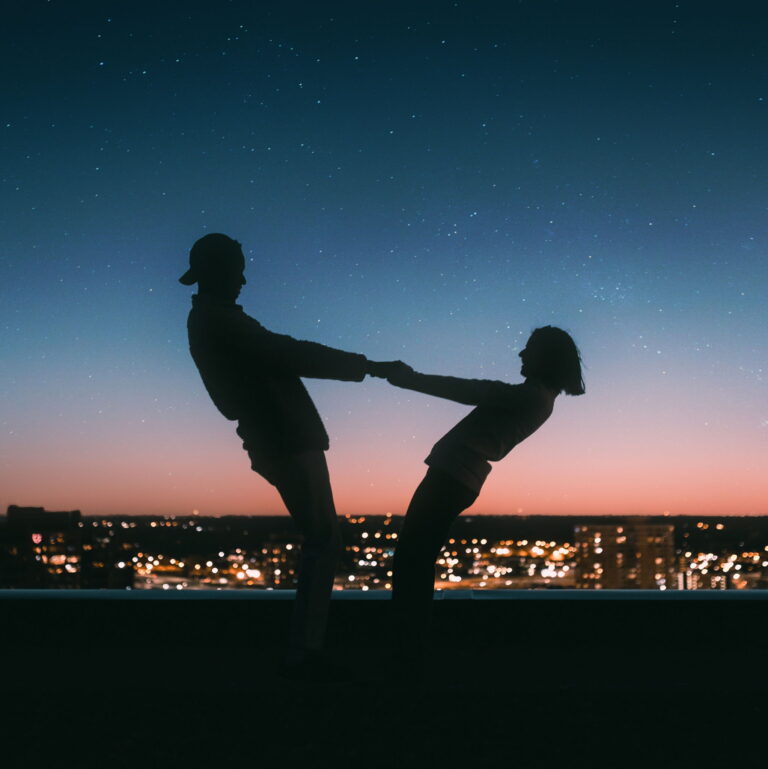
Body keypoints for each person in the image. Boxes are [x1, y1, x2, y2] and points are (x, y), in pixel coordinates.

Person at [179, 233, 404, 680]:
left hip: (279, 437)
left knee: (323, 538)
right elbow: (290, 353)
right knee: (324, 540)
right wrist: (369, 366)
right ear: (220, 271)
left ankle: (306, 651)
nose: (244, 278)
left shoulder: (215, 320)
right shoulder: (219, 322)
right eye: (238, 268)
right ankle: (304, 655)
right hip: (283, 437)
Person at [385, 326, 585, 672]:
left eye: (528, 350)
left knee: (412, 561)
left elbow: (468, 390)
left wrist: (411, 379)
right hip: (459, 476)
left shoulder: (533, 397)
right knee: (414, 559)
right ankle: (408, 650)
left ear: (546, 358)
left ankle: (407, 653)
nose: (521, 355)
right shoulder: (538, 397)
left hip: (452, 476)